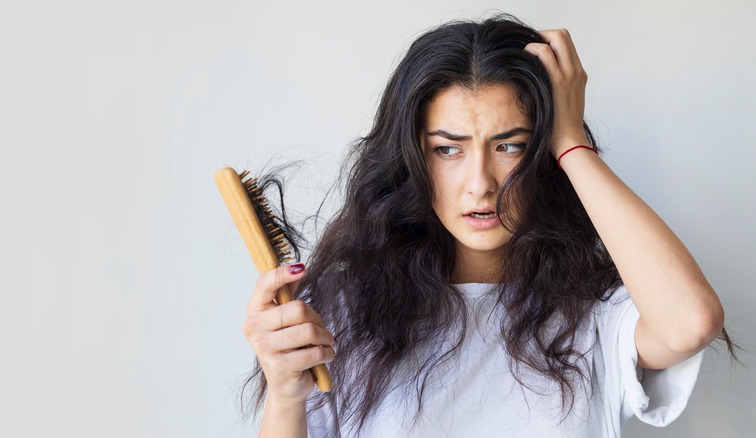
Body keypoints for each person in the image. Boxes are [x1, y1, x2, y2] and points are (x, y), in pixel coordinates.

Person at [239, 14, 733, 437]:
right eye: (447, 149)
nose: (480, 184)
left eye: (510, 145)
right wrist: (284, 395)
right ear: (412, 158)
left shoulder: (594, 314)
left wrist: (570, 140)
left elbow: (692, 322)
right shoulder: (342, 312)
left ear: (542, 155)